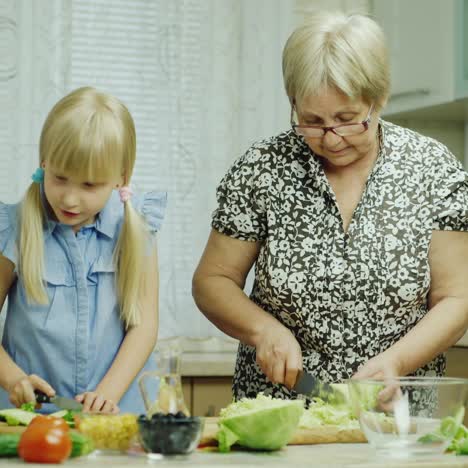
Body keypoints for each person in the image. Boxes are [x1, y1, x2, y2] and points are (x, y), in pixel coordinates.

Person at [192, 11, 468, 401]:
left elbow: (457, 298)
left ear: (380, 98)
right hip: (278, 412)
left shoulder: (433, 170)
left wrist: (396, 363)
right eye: (312, 121)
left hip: (394, 412)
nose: (332, 138)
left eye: (348, 119)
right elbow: (212, 281)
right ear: (293, 103)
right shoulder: (262, 168)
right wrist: (263, 330)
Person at [0, 87, 166, 413]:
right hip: (29, 419)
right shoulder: (14, 230)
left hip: (118, 414)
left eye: (89, 185)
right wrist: (14, 379)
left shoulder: (136, 229)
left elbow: (144, 326)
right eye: (60, 178)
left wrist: (108, 393)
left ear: (121, 178)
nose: (70, 199)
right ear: (44, 162)